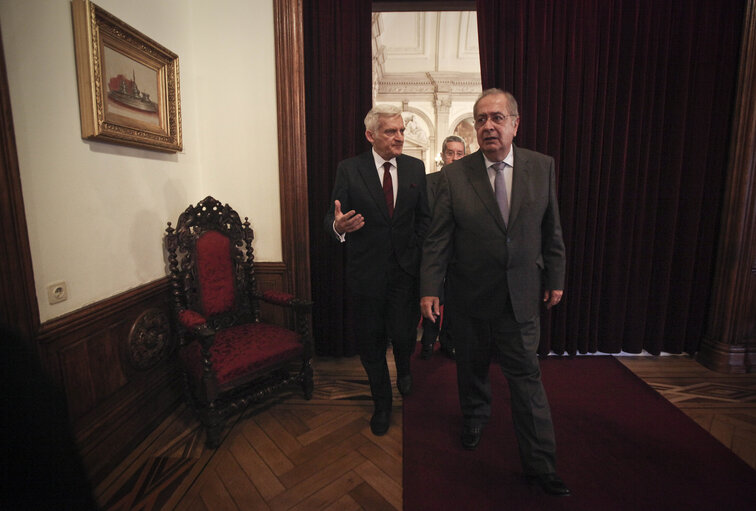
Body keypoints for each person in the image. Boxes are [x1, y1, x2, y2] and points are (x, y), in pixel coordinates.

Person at [420, 89, 570, 496]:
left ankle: (541, 465)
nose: (489, 126)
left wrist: (556, 275)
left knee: (527, 380)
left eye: (497, 118)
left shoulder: (542, 167)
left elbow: (550, 228)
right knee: (471, 369)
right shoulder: (454, 175)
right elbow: (438, 239)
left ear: (515, 124)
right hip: (469, 298)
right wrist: (430, 288)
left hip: (522, 295)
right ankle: (474, 418)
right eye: (481, 119)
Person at [325, 104, 430, 436]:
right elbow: (332, 217)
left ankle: (405, 369)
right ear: (371, 135)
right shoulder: (349, 169)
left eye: (401, 130)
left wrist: (415, 249)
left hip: (405, 272)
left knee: (402, 335)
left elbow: (424, 219)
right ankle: (382, 404)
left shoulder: (415, 168)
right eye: (391, 131)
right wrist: (339, 226)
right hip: (366, 274)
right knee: (371, 344)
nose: (400, 137)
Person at [420, 135, 466, 359]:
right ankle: (428, 342)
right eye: (450, 153)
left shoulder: (471, 184)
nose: (455, 158)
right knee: (433, 297)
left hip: (460, 255)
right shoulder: (427, 182)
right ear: (442, 156)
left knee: (455, 302)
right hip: (434, 252)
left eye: (459, 154)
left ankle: (449, 342)